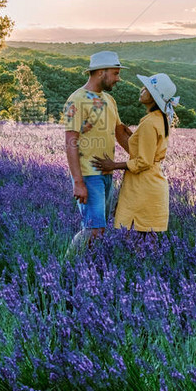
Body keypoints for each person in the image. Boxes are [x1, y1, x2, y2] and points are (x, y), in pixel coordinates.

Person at [92, 73, 179, 234]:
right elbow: (148, 150)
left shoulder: (150, 122)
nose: (142, 90)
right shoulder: (159, 118)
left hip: (144, 187)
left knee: (137, 239)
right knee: (145, 241)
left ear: (154, 97)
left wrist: (113, 165)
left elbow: (144, 161)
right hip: (151, 182)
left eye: (146, 89)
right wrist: (130, 137)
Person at [64, 51, 132, 246]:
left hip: (107, 172)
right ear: (101, 72)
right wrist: (78, 181)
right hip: (88, 174)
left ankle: (89, 270)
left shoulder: (110, 100)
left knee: (100, 229)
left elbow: (120, 132)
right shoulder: (76, 100)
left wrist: (140, 158)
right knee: (94, 229)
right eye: (115, 73)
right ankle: (65, 267)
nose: (118, 79)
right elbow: (71, 141)